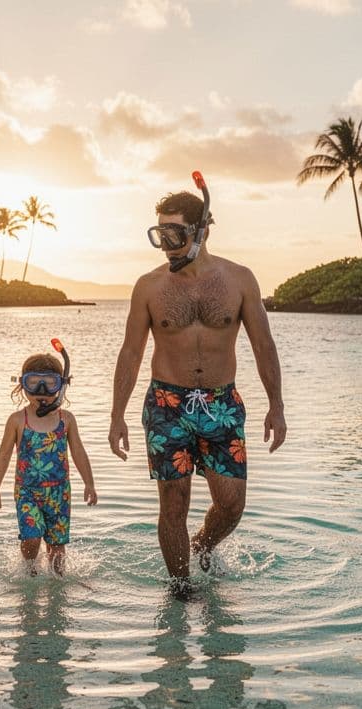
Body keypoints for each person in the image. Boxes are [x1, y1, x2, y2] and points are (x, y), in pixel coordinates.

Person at [108, 187, 285, 592]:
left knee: (231, 503)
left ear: (202, 229)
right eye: (160, 235)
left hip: (221, 405)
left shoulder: (239, 279)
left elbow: (264, 344)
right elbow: (131, 352)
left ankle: (203, 545)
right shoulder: (149, 287)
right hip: (166, 404)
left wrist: (276, 405)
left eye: (175, 235)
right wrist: (117, 415)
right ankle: (180, 588)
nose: (166, 247)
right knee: (174, 502)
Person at [0, 347, 97, 575]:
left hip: (59, 493)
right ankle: (29, 573)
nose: (41, 391)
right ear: (22, 385)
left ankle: (57, 592)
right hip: (27, 492)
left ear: (61, 386)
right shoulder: (18, 420)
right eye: (33, 383)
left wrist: (89, 483)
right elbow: (3, 455)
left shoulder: (66, 420)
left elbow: (78, 451)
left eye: (49, 383)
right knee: (32, 539)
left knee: (57, 550)